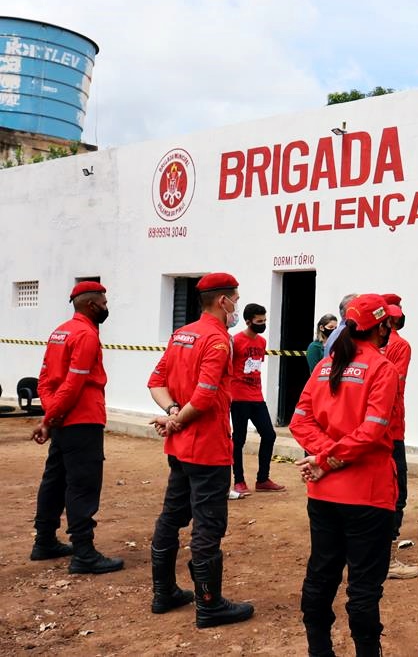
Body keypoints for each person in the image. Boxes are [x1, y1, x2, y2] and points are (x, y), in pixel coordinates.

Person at [289, 294, 400, 657]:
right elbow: (372, 431)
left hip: (324, 493)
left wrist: (324, 457)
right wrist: (330, 458)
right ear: (381, 327)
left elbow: (299, 421)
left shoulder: (325, 365)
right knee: (364, 587)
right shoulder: (381, 368)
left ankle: (318, 650)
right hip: (368, 494)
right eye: (388, 323)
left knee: (321, 575)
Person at [147, 272, 255, 627]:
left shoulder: (182, 334)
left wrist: (172, 413)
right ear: (223, 301)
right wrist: (177, 420)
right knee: (208, 525)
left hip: (179, 448)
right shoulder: (219, 340)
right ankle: (209, 605)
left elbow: (156, 381)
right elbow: (206, 396)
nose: (237, 306)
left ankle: (164, 593)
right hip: (207, 447)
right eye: (236, 299)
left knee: (171, 516)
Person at [30, 281, 124, 574]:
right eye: (104, 303)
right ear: (92, 305)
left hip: (63, 420)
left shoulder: (60, 332)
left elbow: (44, 380)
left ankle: (44, 541)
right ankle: (84, 553)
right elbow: (73, 384)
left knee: (55, 480)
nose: (107, 308)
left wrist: (51, 416)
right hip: (83, 419)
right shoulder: (86, 335)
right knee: (83, 484)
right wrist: (51, 417)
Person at [381, 293, 418, 580]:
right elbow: (394, 387)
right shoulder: (400, 346)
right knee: (396, 494)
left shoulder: (355, 346)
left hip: (363, 429)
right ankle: (387, 559)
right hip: (391, 429)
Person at [230, 303, 285, 495]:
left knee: (269, 435)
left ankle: (262, 479)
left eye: (264, 321)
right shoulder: (235, 341)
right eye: (259, 321)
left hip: (256, 396)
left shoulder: (261, 342)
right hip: (238, 397)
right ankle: (239, 481)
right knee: (239, 439)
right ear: (248, 321)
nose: (263, 324)